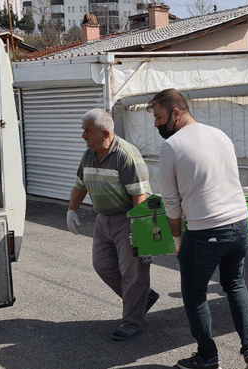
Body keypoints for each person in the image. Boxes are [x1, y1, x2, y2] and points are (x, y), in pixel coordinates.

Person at [148, 89, 248, 369]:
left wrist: (176, 238)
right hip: (239, 225)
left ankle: (207, 357)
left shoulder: (172, 146)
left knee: (194, 295)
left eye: (158, 117)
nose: (156, 124)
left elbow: (171, 203)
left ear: (176, 113)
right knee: (235, 285)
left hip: (204, 232)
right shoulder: (220, 135)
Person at [66, 108, 159, 340]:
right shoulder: (89, 154)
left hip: (131, 217)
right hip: (103, 220)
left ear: (105, 133)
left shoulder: (126, 155)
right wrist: (71, 210)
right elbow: (80, 185)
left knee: (133, 274)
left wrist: (140, 228)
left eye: (87, 131)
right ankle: (142, 299)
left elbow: (140, 196)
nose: (83, 136)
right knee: (103, 265)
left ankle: (132, 322)